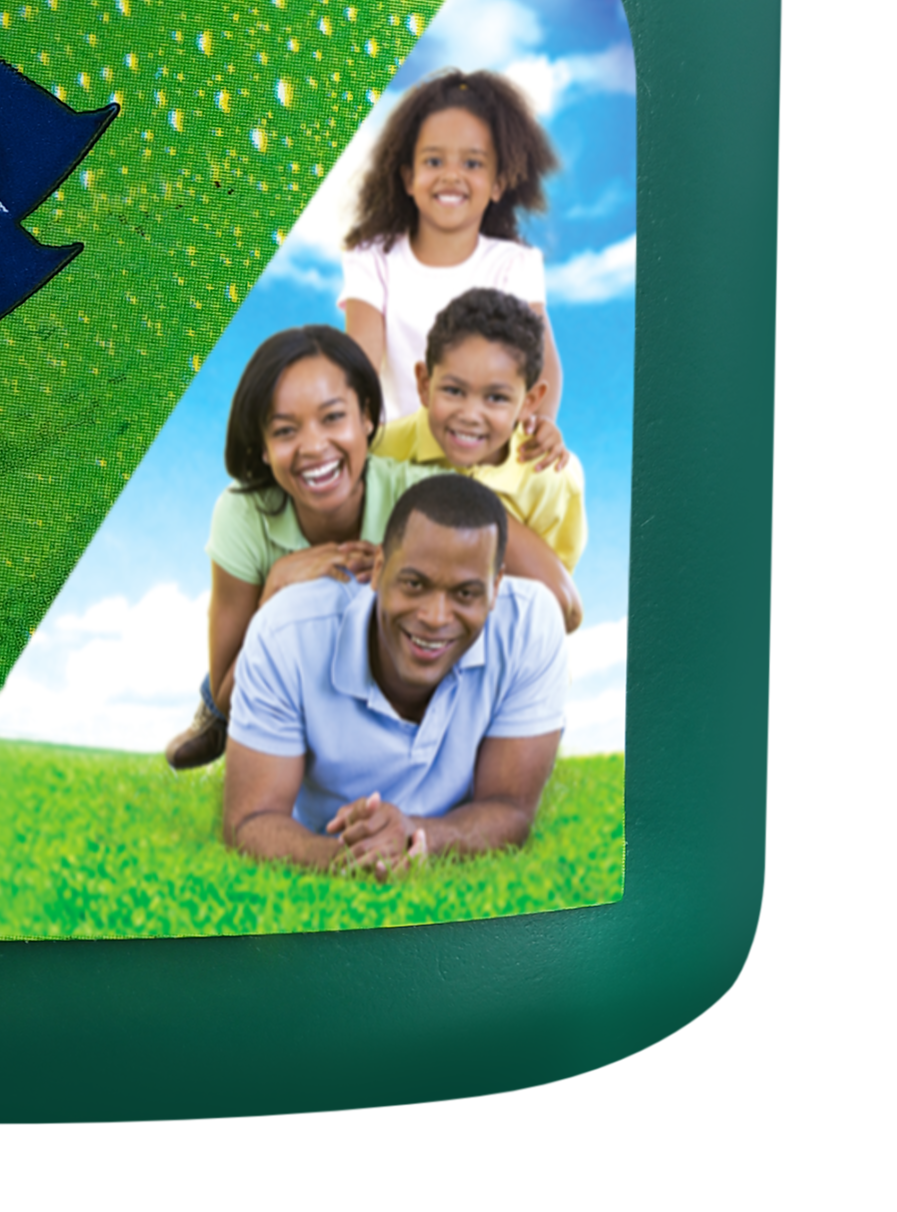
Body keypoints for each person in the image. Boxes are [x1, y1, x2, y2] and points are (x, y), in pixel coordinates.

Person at [222, 472, 568, 878]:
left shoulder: (529, 625)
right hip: (320, 835)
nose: (435, 617)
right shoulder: (287, 633)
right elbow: (250, 820)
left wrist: (416, 836)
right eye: (414, 584)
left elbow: (511, 808)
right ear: (380, 568)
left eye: (465, 593)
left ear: (496, 587)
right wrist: (350, 859)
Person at [163, 325, 440, 773]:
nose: (313, 447)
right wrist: (274, 593)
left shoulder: (419, 497)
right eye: (285, 430)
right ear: (264, 448)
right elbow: (230, 695)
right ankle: (210, 722)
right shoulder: (243, 513)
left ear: (367, 417)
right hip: (286, 674)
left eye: (333, 417)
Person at [337, 68, 565, 459]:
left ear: (498, 183)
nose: (451, 176)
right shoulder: (374, 260)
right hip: (401, 455)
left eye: (472, 164)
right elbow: (361, 362)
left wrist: (542, 424)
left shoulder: (512, 265)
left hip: (484, 453)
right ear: (408, 178)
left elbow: (542, 362)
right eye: (434, 161)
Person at [372, 286, 587, 632]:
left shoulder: (551, 477)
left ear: (530, 402)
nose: (470, 415)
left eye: (496, 398)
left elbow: (557, 607)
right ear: (424, 384)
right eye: (453, 391)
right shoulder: (384, 449)